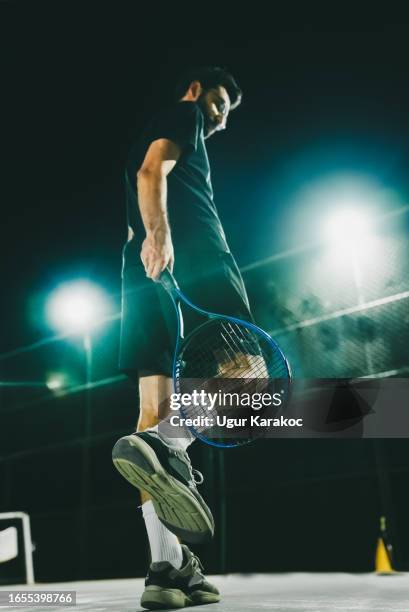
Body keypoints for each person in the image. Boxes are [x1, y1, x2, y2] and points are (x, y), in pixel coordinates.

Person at [112, 66, 253, 610]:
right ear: (196, 90)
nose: (219, 118)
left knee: (150, 414)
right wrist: (162, 233)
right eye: (219, 103)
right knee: (249, 376)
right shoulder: (184, 115)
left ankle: (167, 569)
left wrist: (147, 239)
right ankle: (169, 445)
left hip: (137, 268)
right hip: (192, 255)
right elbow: (153, 173)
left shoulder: (157, 129)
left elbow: (139, 181)